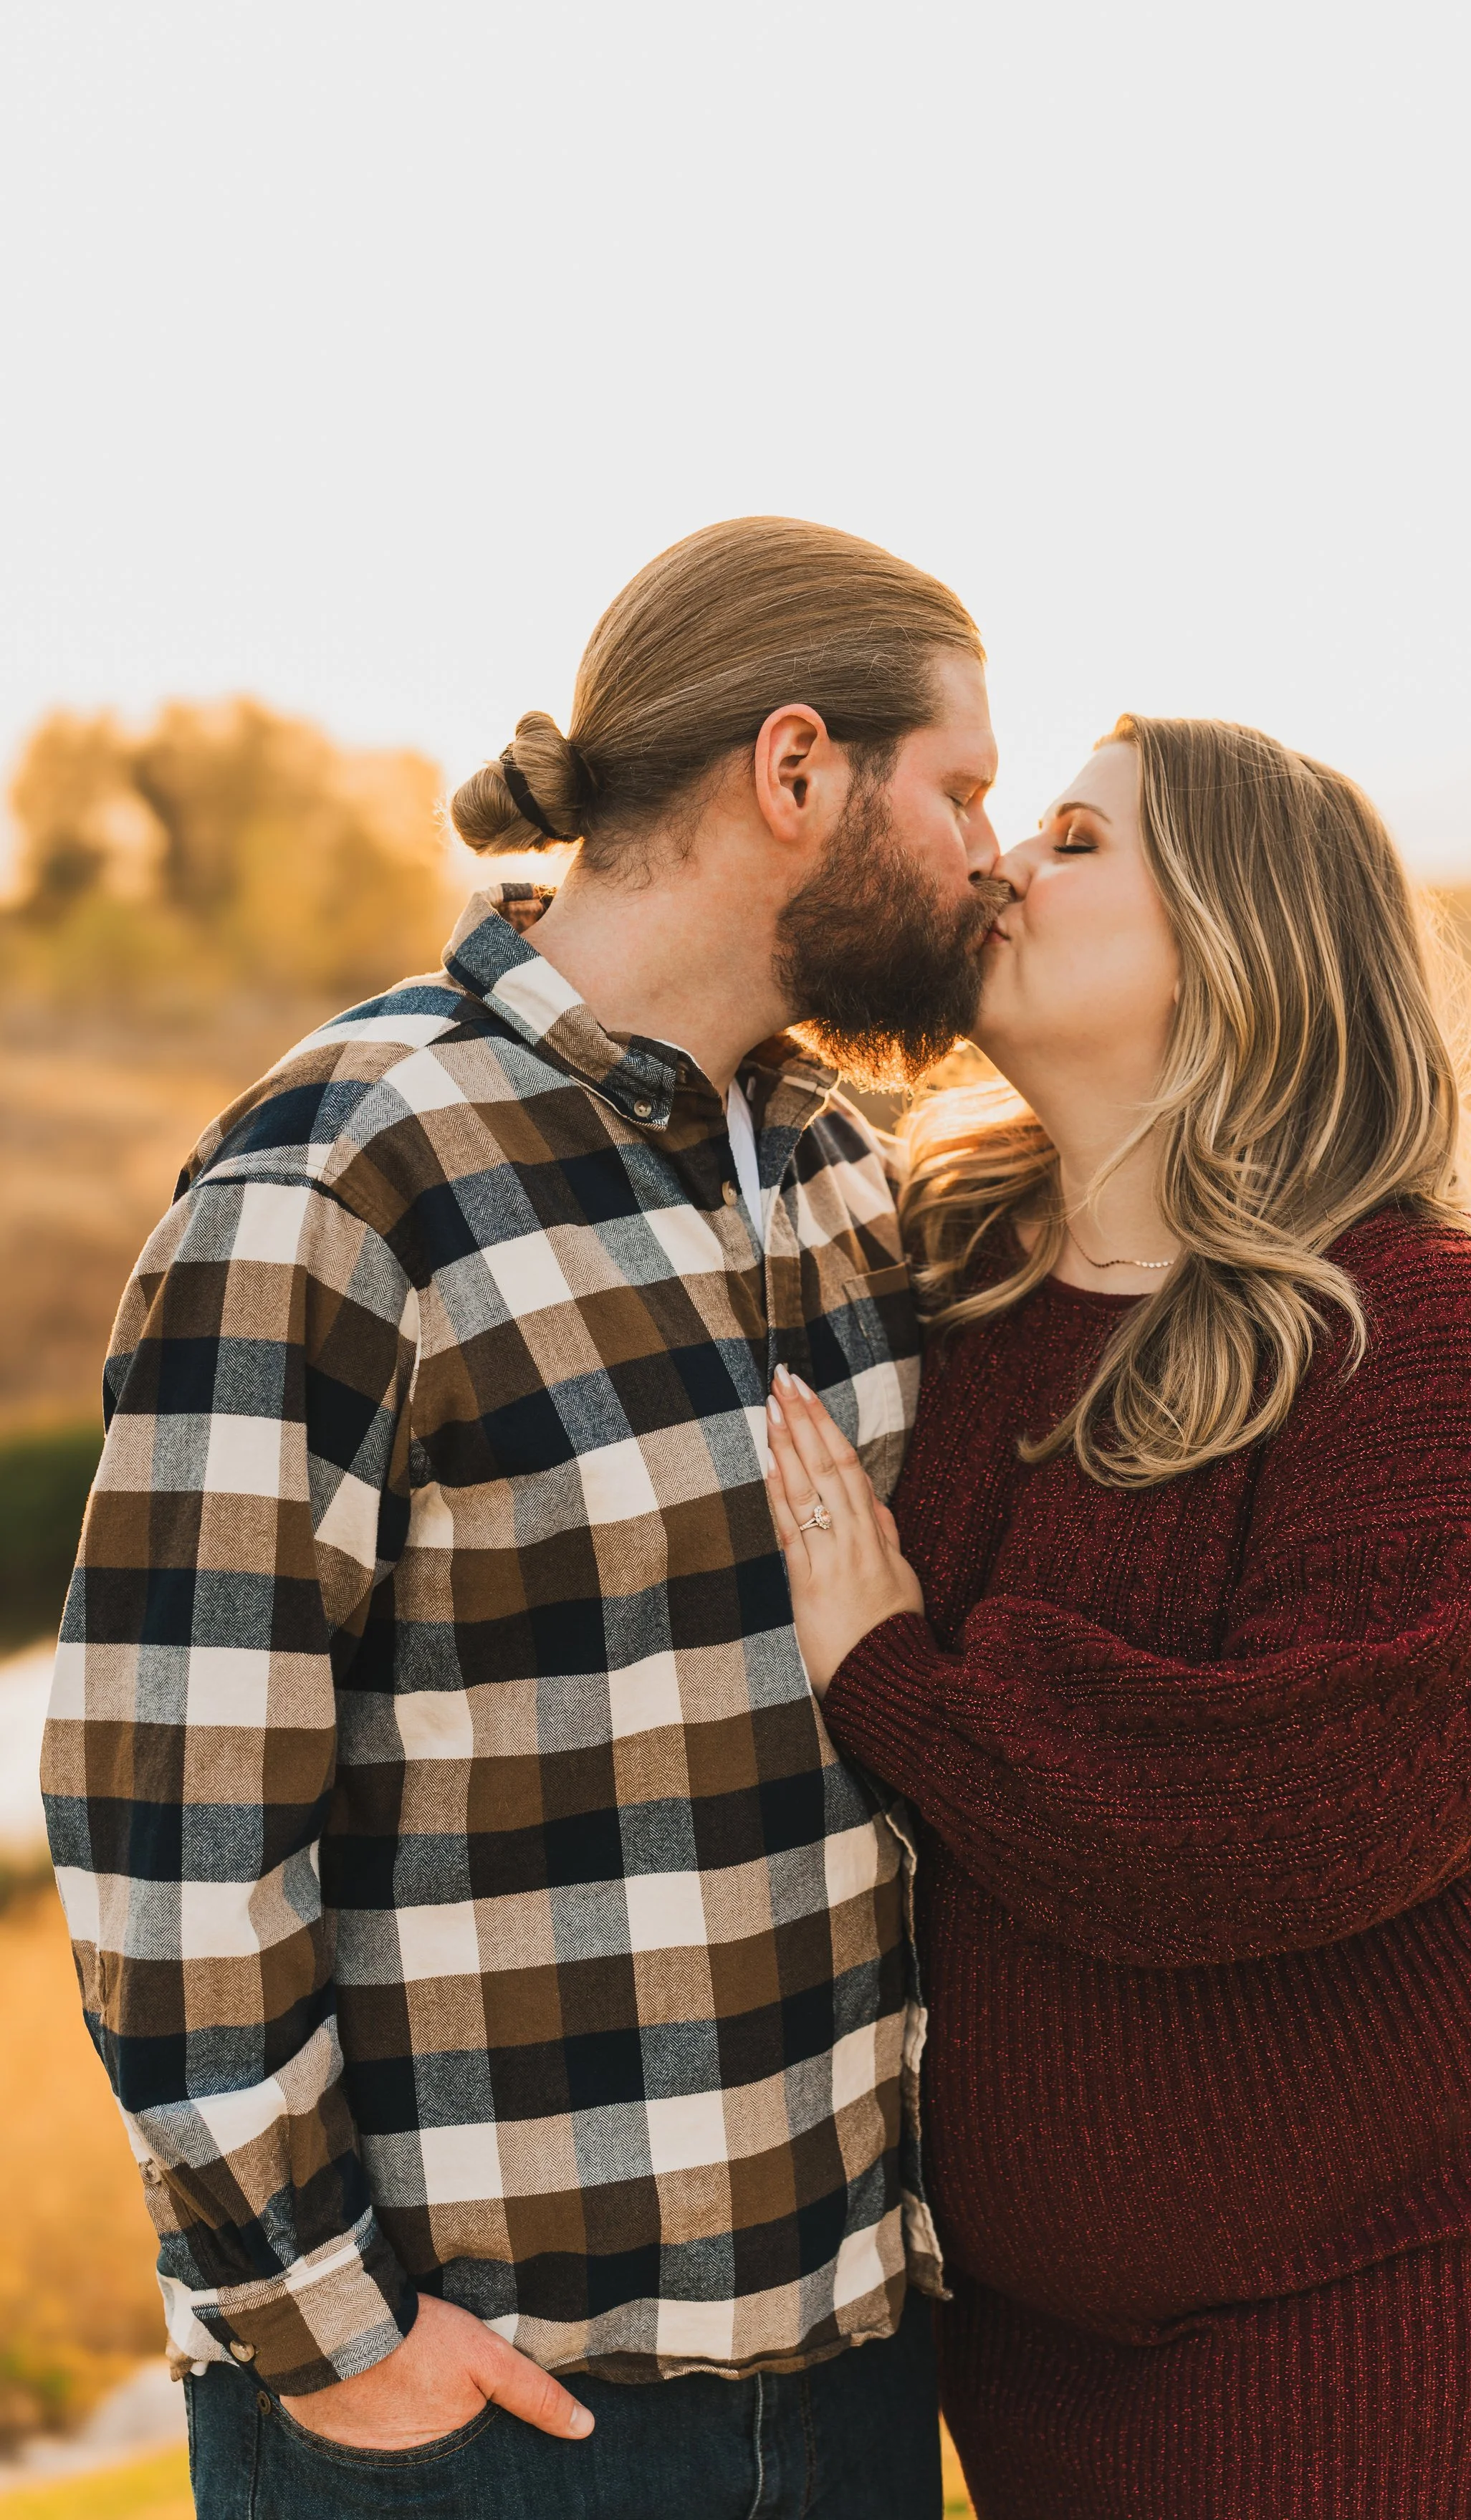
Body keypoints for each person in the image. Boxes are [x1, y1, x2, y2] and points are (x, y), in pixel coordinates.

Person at [42, 517, 1005, 2520]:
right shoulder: (347, 1171)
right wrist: (332, 2329)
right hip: (487, 2415)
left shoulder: (838, 1174)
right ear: (796, 769)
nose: (986, 855)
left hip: (845, 2360)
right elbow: (167, 1810)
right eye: (964, 790)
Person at [763, 715, 1471, 2519]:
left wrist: (897, 1679)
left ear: (1244, 937)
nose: (1001, 865)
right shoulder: (928, 1275)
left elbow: (1268, 1811)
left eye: (1080, 842)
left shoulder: (1414, 1326)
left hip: (1411, 2236)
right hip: (1029, 2316)